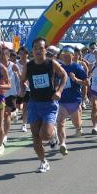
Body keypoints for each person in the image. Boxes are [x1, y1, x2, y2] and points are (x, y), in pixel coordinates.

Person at [19, 37, 67, 173]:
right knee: (35, 136)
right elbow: (22, 81)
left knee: (44, 134)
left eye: (41, 48)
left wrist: (59, 91)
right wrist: (22, 90)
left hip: (49, 104)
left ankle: (52, 135)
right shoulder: (28, 66)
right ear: (32, 51)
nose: (38, 51)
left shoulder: (51, 63)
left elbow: (64, 75)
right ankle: (43, 161)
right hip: (34, 104)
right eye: (35, 48)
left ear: (45, 49)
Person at [56, 45, 89, 155]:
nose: (65, 56)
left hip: (74, 100)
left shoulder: (77, 67)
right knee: (60, 122)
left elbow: (87, 83)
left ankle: (79, 127)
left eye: (67, 54)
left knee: (77, 124)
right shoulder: (58, 67)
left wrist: (75, 79)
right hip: (62, 101)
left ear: (72, 55)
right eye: (63, 54)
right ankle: (63, 144)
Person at [0, 46, 20, 146]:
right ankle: (14, 113)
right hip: (0, 93)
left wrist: (24, 86)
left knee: (6, 114)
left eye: (4, 54)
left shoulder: (13, 65)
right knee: (3, 115)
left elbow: (21, 77)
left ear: (8, 55)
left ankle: (5, 136)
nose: (2, 57)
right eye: (0, 55)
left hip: (11, 93)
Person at [16, 46, 30, 132]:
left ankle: (24, 124)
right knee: (18, 106)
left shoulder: (30, 64)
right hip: (18, 89)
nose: (22, 55)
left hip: (28, 89)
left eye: (24, 53)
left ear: (27, 54)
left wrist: (26, 83)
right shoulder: (16, 64)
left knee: (25, 107)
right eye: (20, 53)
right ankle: (16, 113)